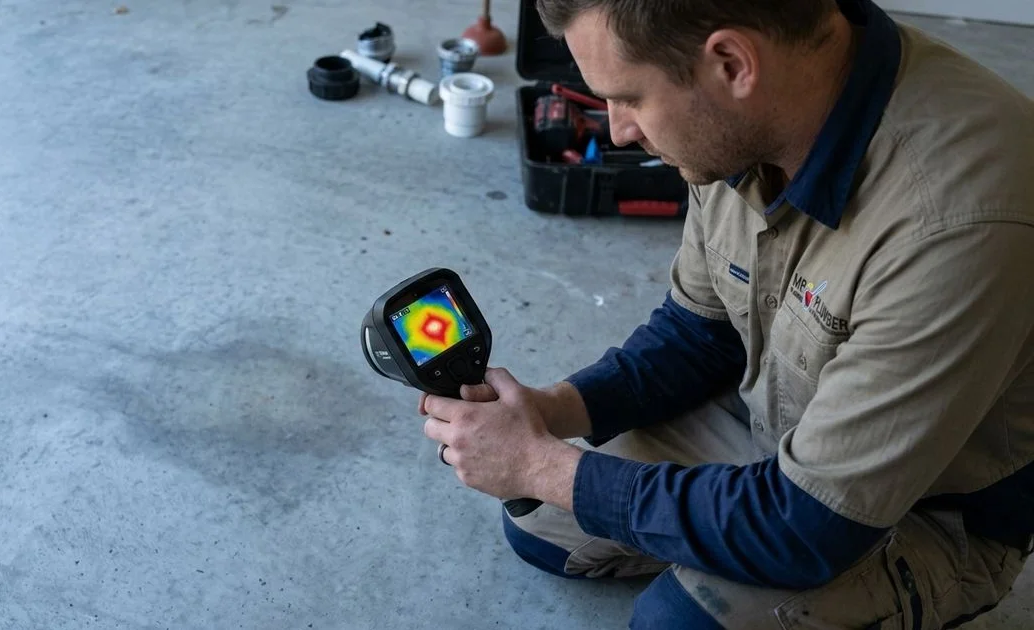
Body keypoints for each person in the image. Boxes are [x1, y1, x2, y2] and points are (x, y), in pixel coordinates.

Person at [418, 0, 1034, 627]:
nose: (618, 130)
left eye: (629, 97)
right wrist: (553, 410)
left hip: (918, 508)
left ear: (733, 63)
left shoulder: (959, 222)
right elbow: (697, 334)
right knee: (539, 522)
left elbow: (809, 526)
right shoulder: (739, 118)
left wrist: (541, 463)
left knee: (677, 621)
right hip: (772, 416)